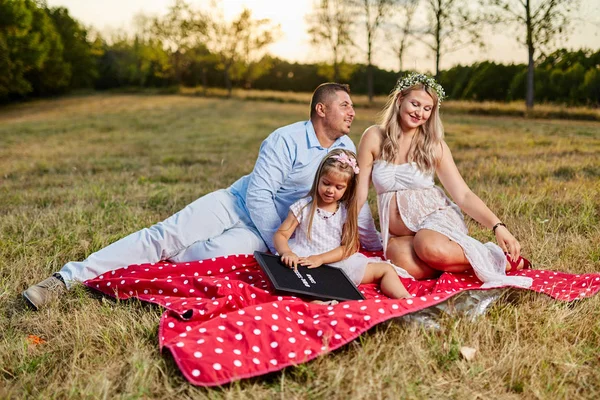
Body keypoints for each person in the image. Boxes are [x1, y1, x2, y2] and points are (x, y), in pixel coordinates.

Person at [23, 83, 383, 310]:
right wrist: (285, 248)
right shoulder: (284, 139)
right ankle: (65, 278)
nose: (353, 112)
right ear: (322, 109)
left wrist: (374, 245)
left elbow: (353, 200)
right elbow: (259, 196)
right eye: (345, 105)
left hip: (265, 233)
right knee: (165, 235)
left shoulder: (344, 147)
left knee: (203, 257)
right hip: (237, 205)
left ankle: (159, 260)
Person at [356, 73, 532, 288]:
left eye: (427, 108)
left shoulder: (433, 145)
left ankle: (499, 259)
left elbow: (463, 195)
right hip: (398, 235)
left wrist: (497, 226)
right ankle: (477, 261)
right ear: (400, 99)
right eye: (415, 104)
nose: (419, 113)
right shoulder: (373, 136)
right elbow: (360, 192)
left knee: (429, 247)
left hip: (434, 218)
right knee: (404, 266)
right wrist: (346, 231)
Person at [274, 149, 412, 299]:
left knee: (385, 269)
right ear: (318, 179)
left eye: (338, 187)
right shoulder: (303, 207)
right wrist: (286, 252)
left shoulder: (345, 212)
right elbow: (281, 234)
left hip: (335, 261)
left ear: (347, 189)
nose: (330, 190)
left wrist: (321, 258)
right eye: (326, 183)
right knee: (309, 287)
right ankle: (321, 304)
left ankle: (406, 300)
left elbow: (349, 247)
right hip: (305, 260)